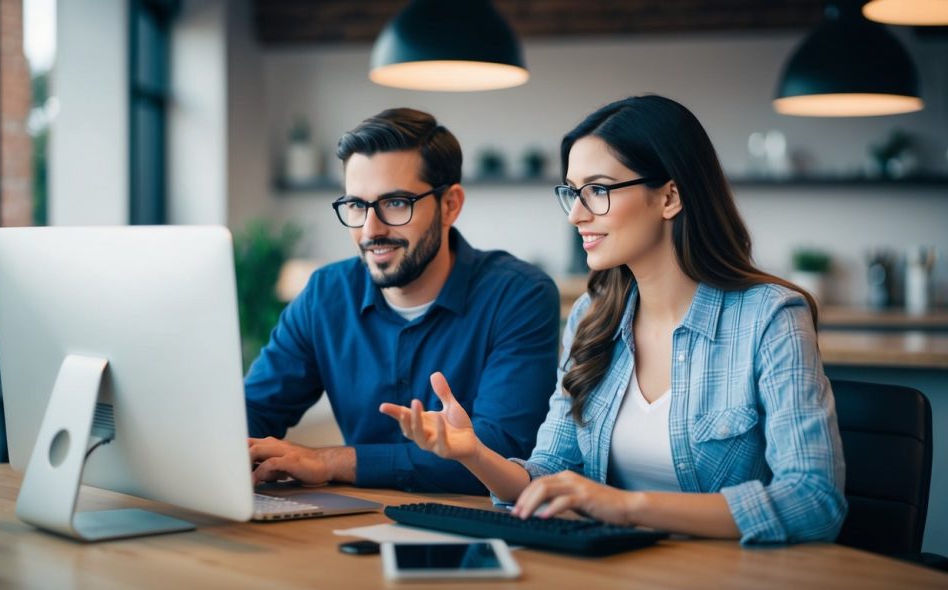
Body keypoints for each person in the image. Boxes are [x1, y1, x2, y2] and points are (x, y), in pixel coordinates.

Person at [381, 95, 847, 544]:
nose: (577, 215)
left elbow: (813, 501)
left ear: (669, 196)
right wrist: (474, 453)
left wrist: (626, 506)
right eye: (573, 193)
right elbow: (548, 477)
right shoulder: (591, 318)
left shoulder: (770, 317)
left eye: (598, 190)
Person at [245, 108, 560, 494]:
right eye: (357, 206)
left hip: (473, 530)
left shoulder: (518, 296)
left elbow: (503, 451)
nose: (371, 229)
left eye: (395, 203)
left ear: (450, 205)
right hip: (342, 528)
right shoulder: (324, 296)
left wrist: (328, 460)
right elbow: (253, 411)